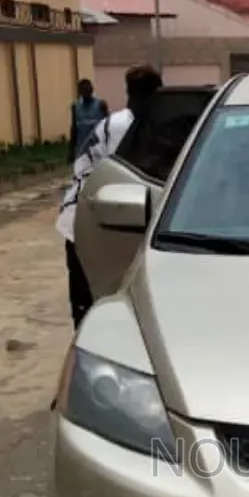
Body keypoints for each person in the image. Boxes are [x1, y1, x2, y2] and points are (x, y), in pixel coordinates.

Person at [57, 64, 163, 329]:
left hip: (90, 222)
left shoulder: (112, 125)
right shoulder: (125, 128)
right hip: (92, 224)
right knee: (98, 311)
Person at [68, 78, 109, 162]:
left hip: (98, 149)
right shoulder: (75, 106)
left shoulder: (101, 104)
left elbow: (108, 127)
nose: (86, 93)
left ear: (92, 90)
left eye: (88, 90)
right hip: (81, 150)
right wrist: (71, 151)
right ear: (80, 92)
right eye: (83, 91)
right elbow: (74, 129)